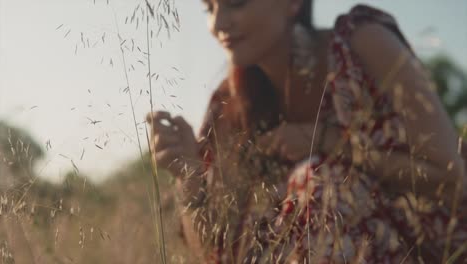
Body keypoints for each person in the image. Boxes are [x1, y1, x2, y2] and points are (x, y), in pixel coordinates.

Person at [147, 1, 467, 263]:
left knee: (319, 184)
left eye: (235, 4)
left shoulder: (363, 44)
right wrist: (189, 179)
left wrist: (330, 143)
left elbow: (452, 179)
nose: (218, 24)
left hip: (436, 247)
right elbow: (221, 255)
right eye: (209, 8)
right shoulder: (229, 104)